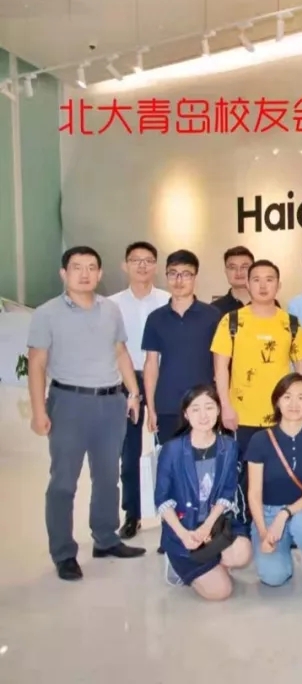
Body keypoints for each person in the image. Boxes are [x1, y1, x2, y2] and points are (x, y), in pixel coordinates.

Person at [27, 246, 147, 581]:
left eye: (91, 267)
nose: (84, 274)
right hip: (69, 402)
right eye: (77, 267)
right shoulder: (47, 313)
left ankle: (106, 539)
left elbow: (120, 352)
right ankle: (64, 552)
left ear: (100, 273)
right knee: (64, 481)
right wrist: (38, 411)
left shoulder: (110, 309)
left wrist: (133, 393)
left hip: (110, 403)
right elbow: (36, 364)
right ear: (63, 273)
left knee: (108, 477)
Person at [211, 259, 302, 529]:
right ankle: (244, 528)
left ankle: (281, 527)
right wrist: (225, 407)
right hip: (241, 416)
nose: (263, 285)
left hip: (282, 416)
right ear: (247, 283)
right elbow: (220, 368)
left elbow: (301, 372)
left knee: (281, 473)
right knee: (242, 475)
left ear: (279, 285)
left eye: (270, 279)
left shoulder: (290, 323)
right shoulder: (232, 321)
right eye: (256, 279)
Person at [155, 385, 253, 600]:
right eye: (195, 409)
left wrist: (208, 525)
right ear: (186, 414)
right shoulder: (172, 449)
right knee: (221, 592)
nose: (203, 415)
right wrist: (184, 534)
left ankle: (212, 565)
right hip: (184, 530)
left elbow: (227, 493)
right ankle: (182, 563)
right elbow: (162, 499)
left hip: (214, 525)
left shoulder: (229, 447)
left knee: (242, 552)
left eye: (209, 407)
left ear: (218, 410)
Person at [245, 374, 302, 596]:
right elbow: (254, 493)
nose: (294, 404)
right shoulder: (260, 440)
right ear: (277, 401)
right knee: (274, 577)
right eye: (287, 397)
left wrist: (285, 514)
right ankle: (283, 553)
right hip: (267, 514)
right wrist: (263, 532)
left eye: (301, 397)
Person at [109, 241, 170, 539]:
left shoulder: (168, 300)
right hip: (125, 381)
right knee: (129, 451)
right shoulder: (111, 304)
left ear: (156, 266)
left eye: (148, 260)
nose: (142, 265)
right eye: (136, 260)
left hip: (163, 378)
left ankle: (172, 514)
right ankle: (131, 515)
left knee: (169, 449)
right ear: (125, 265)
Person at [143, 249, 222, 445]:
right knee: (169, 459)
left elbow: (221, 365)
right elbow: (151, 365)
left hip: (203, 405)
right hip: (167, 405)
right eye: (173, 274)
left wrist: (222, 404)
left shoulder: (213, 315)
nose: (179, 280)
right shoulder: (155, 318)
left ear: (195, 277)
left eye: (186, 274)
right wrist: (151, 408)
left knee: (204, 460)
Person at [211, 246, 255, 314]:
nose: (239, 272)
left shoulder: (268, 305)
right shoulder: (214, 309)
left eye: (244, 267)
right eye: (233, 268)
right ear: (226, 271)